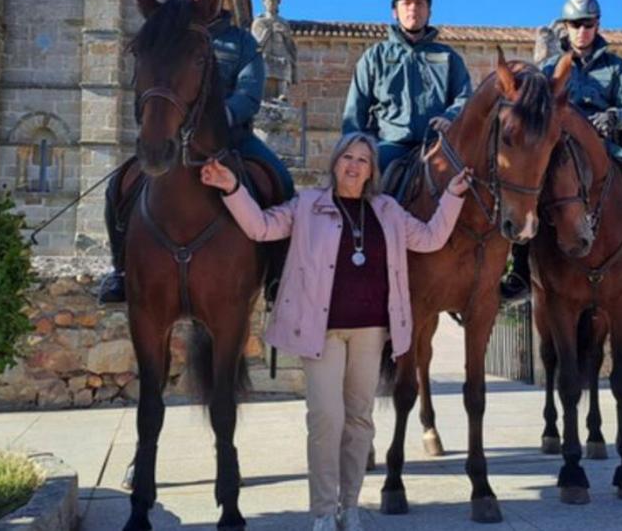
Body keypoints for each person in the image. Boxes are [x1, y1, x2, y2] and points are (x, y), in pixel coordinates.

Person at [200, 132, 470, 531]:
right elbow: (259, 227)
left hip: (371, 331)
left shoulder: (388, 210)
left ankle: (350, 506)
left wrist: (453, 196)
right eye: (347, 156)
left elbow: (431, 238)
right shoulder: (308, 205)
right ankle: (324, 512)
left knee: (360, 420)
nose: (354, 165)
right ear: (335, 163)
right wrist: (232, 188)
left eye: (363, 159)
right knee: (326, 419)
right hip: (322, 331)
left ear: (371, 171)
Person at [98, 0, 296, 303]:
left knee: (280, 179)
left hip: (231, 139)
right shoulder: (169, 34)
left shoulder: (242, 42)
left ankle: (278, 276)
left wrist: (221, 119)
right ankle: (122, 271)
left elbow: (250, 94)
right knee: (118, 186)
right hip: (174, 137)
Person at [501, 0, 622, 303]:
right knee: (525, 189)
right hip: (559, 150)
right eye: (575, 24)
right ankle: (519, 272)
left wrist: (614, 117)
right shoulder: (548, 70)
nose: (582, 31)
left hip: (604, 148)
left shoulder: (616, 68)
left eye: (587, 24)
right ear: (566, 27)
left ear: (597, 25)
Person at [341, 0, 472, 174]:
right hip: (389, 144)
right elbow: (355, 110)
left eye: (419, 3)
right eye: (406, 3)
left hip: (437, 143)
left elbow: (465, 97)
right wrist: (352, 150)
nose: (413, 9)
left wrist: (450, 117)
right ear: (395, 12)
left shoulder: (448, 57)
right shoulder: (374, 57)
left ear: (429, 12)